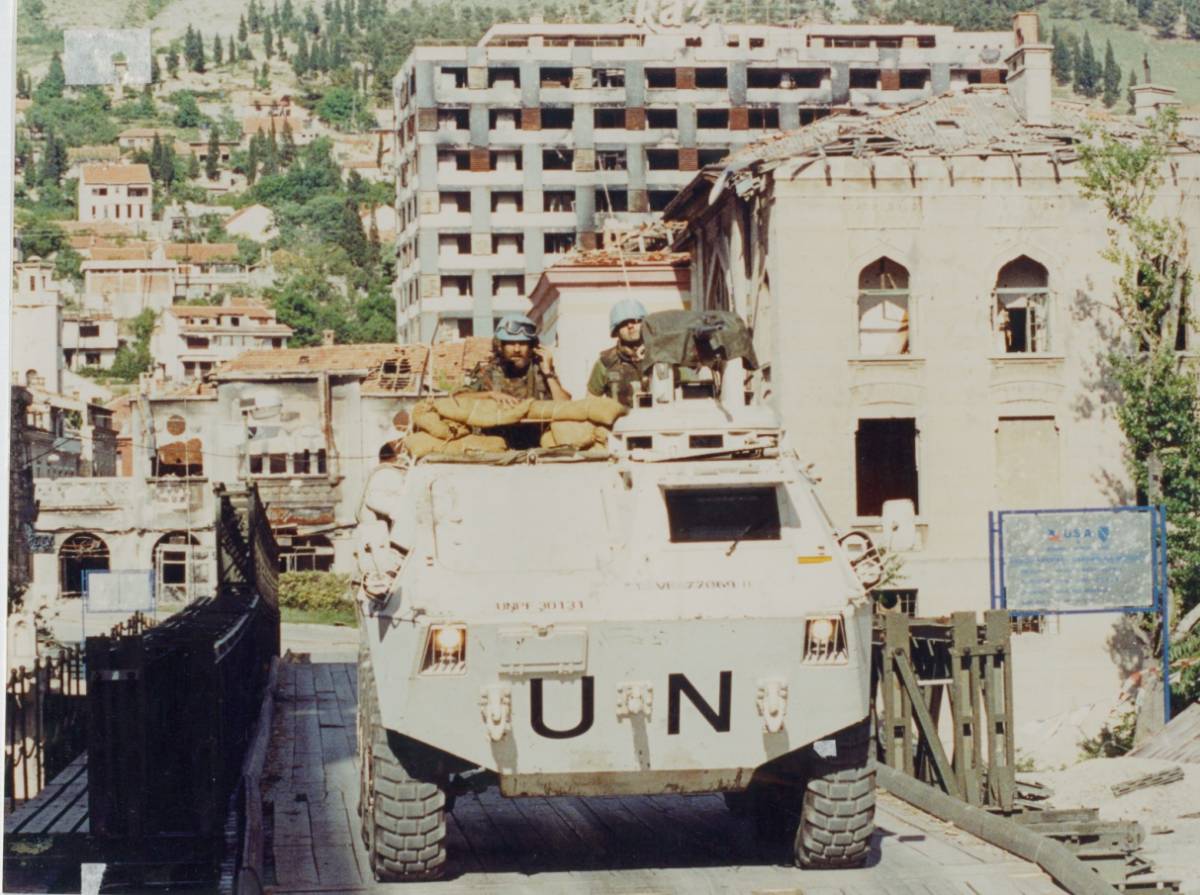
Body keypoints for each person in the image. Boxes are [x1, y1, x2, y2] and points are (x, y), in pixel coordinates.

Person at [465, 313, 571, 405]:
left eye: (523, 343)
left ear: (532, 347)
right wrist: (490, 395)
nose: (517, 349)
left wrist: (548, 373)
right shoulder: (488, 372)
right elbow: (458, 397)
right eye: (510, 343)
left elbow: (566, 406)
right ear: (500, 346)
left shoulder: (541, 372)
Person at [587, 299, 648, 408]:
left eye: (635, 320)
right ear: (616, 331)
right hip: (622, 423)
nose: (630, 326)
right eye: (623, 323)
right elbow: (591, 402)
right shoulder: (606, 362)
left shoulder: (661, 354)